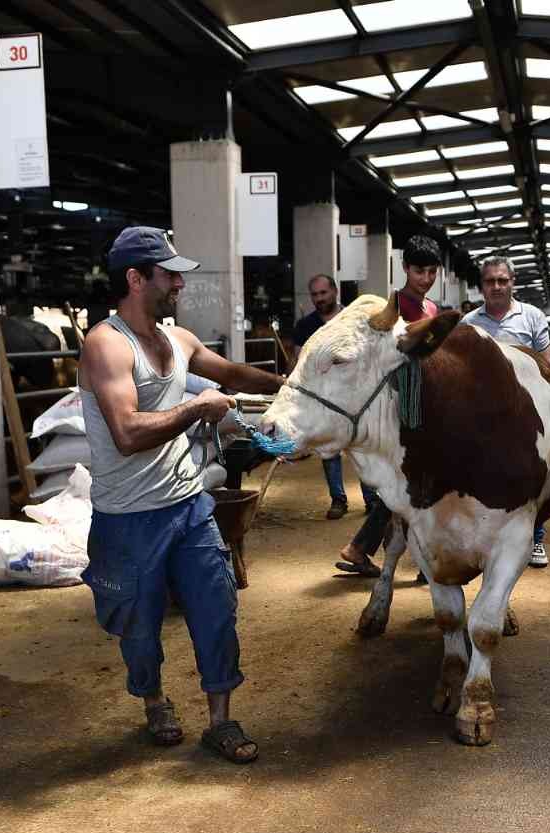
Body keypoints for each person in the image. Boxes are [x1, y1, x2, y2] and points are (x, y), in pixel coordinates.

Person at [79, 226, 286, 763]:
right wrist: (198, 408)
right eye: (169, 274)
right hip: (129, 518)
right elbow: (126, 434)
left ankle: (221, 720)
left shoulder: (180, 339)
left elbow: (233, 372)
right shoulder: (106, 344)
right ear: (135, 277)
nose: (178, 283)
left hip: (189, 506)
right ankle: (153, 700)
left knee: (217, 609)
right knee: (140, 629)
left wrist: (292, 383)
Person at [335, 234, 442, 578]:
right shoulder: (391, 309)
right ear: (405, 269)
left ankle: (368, 548)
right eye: (418, 271)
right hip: (399, 409)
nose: (425, 279)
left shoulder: (432, 308)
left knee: (410, 482)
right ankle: (382, 550)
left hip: (428, 405)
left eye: (431, 271)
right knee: (408, 483)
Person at [461, 255, 550, 567]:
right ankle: (484, 540)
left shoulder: (531, 317)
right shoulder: (469, 324)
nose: (496, 287)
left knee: (530, 477)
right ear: (481, 286)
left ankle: (536, 538)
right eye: (490, 281)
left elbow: (545, 362)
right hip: (482, 415)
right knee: (481, 477)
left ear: (512, 283)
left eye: (502, 280)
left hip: (525, 415)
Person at [293, 273, 352, 520]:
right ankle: (338, 499)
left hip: (355, 394)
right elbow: (297, 361)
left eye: (323, 293)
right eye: (315, 295)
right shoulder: (305, 326)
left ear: (335, 291)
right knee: (329, 449)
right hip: (323, 397)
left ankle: (373, 498)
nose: (319, 298)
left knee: (362, 447)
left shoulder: (352, 320)